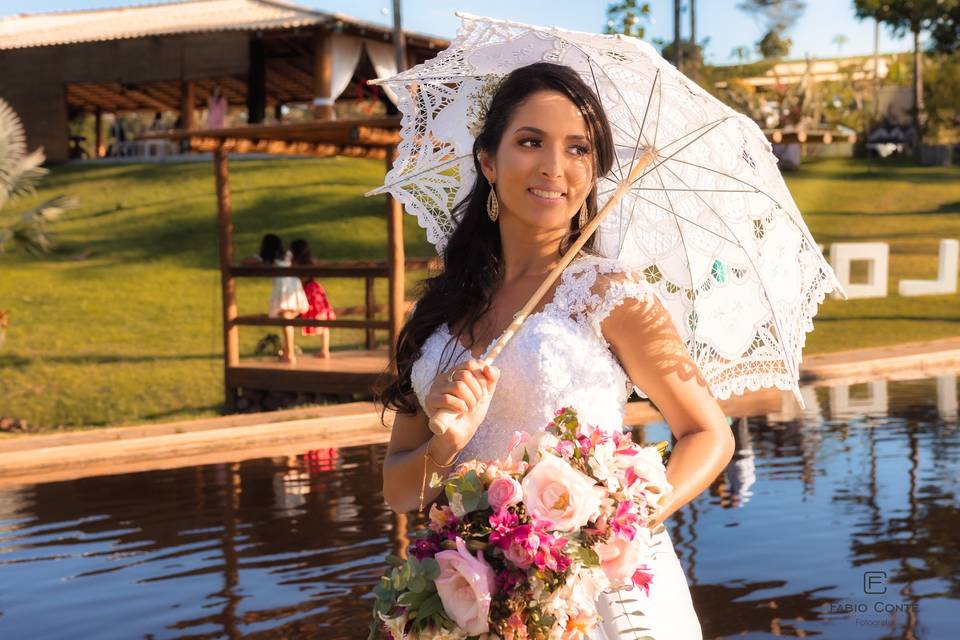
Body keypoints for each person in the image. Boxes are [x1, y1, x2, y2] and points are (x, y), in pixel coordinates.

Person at [376, 63, 735, 639]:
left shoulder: (614, 295)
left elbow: (709, 433)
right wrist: (447, 443)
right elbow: (399, 491)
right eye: (530, 142)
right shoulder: (443, 309)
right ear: (488, 161)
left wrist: (605, 527)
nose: (554, 167)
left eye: (578, 149)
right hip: (476, 603)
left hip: (601, 604)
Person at [242, 234, 308, 364]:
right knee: (288, 322)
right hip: (294, 286)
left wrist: (261, 262)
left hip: (283, 289)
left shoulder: (267, 258)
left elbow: (245, 262)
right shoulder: (287, 255)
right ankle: (288, 351)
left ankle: (289, 355)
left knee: (286, 322)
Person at [290, 239, 336, 358]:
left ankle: (289, 349)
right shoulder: (311, 261)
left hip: (308, 291)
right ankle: (325, 350)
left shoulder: (297, 264)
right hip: (316, 289)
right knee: (323, 319)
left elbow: (302, 278)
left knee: (291, 317)